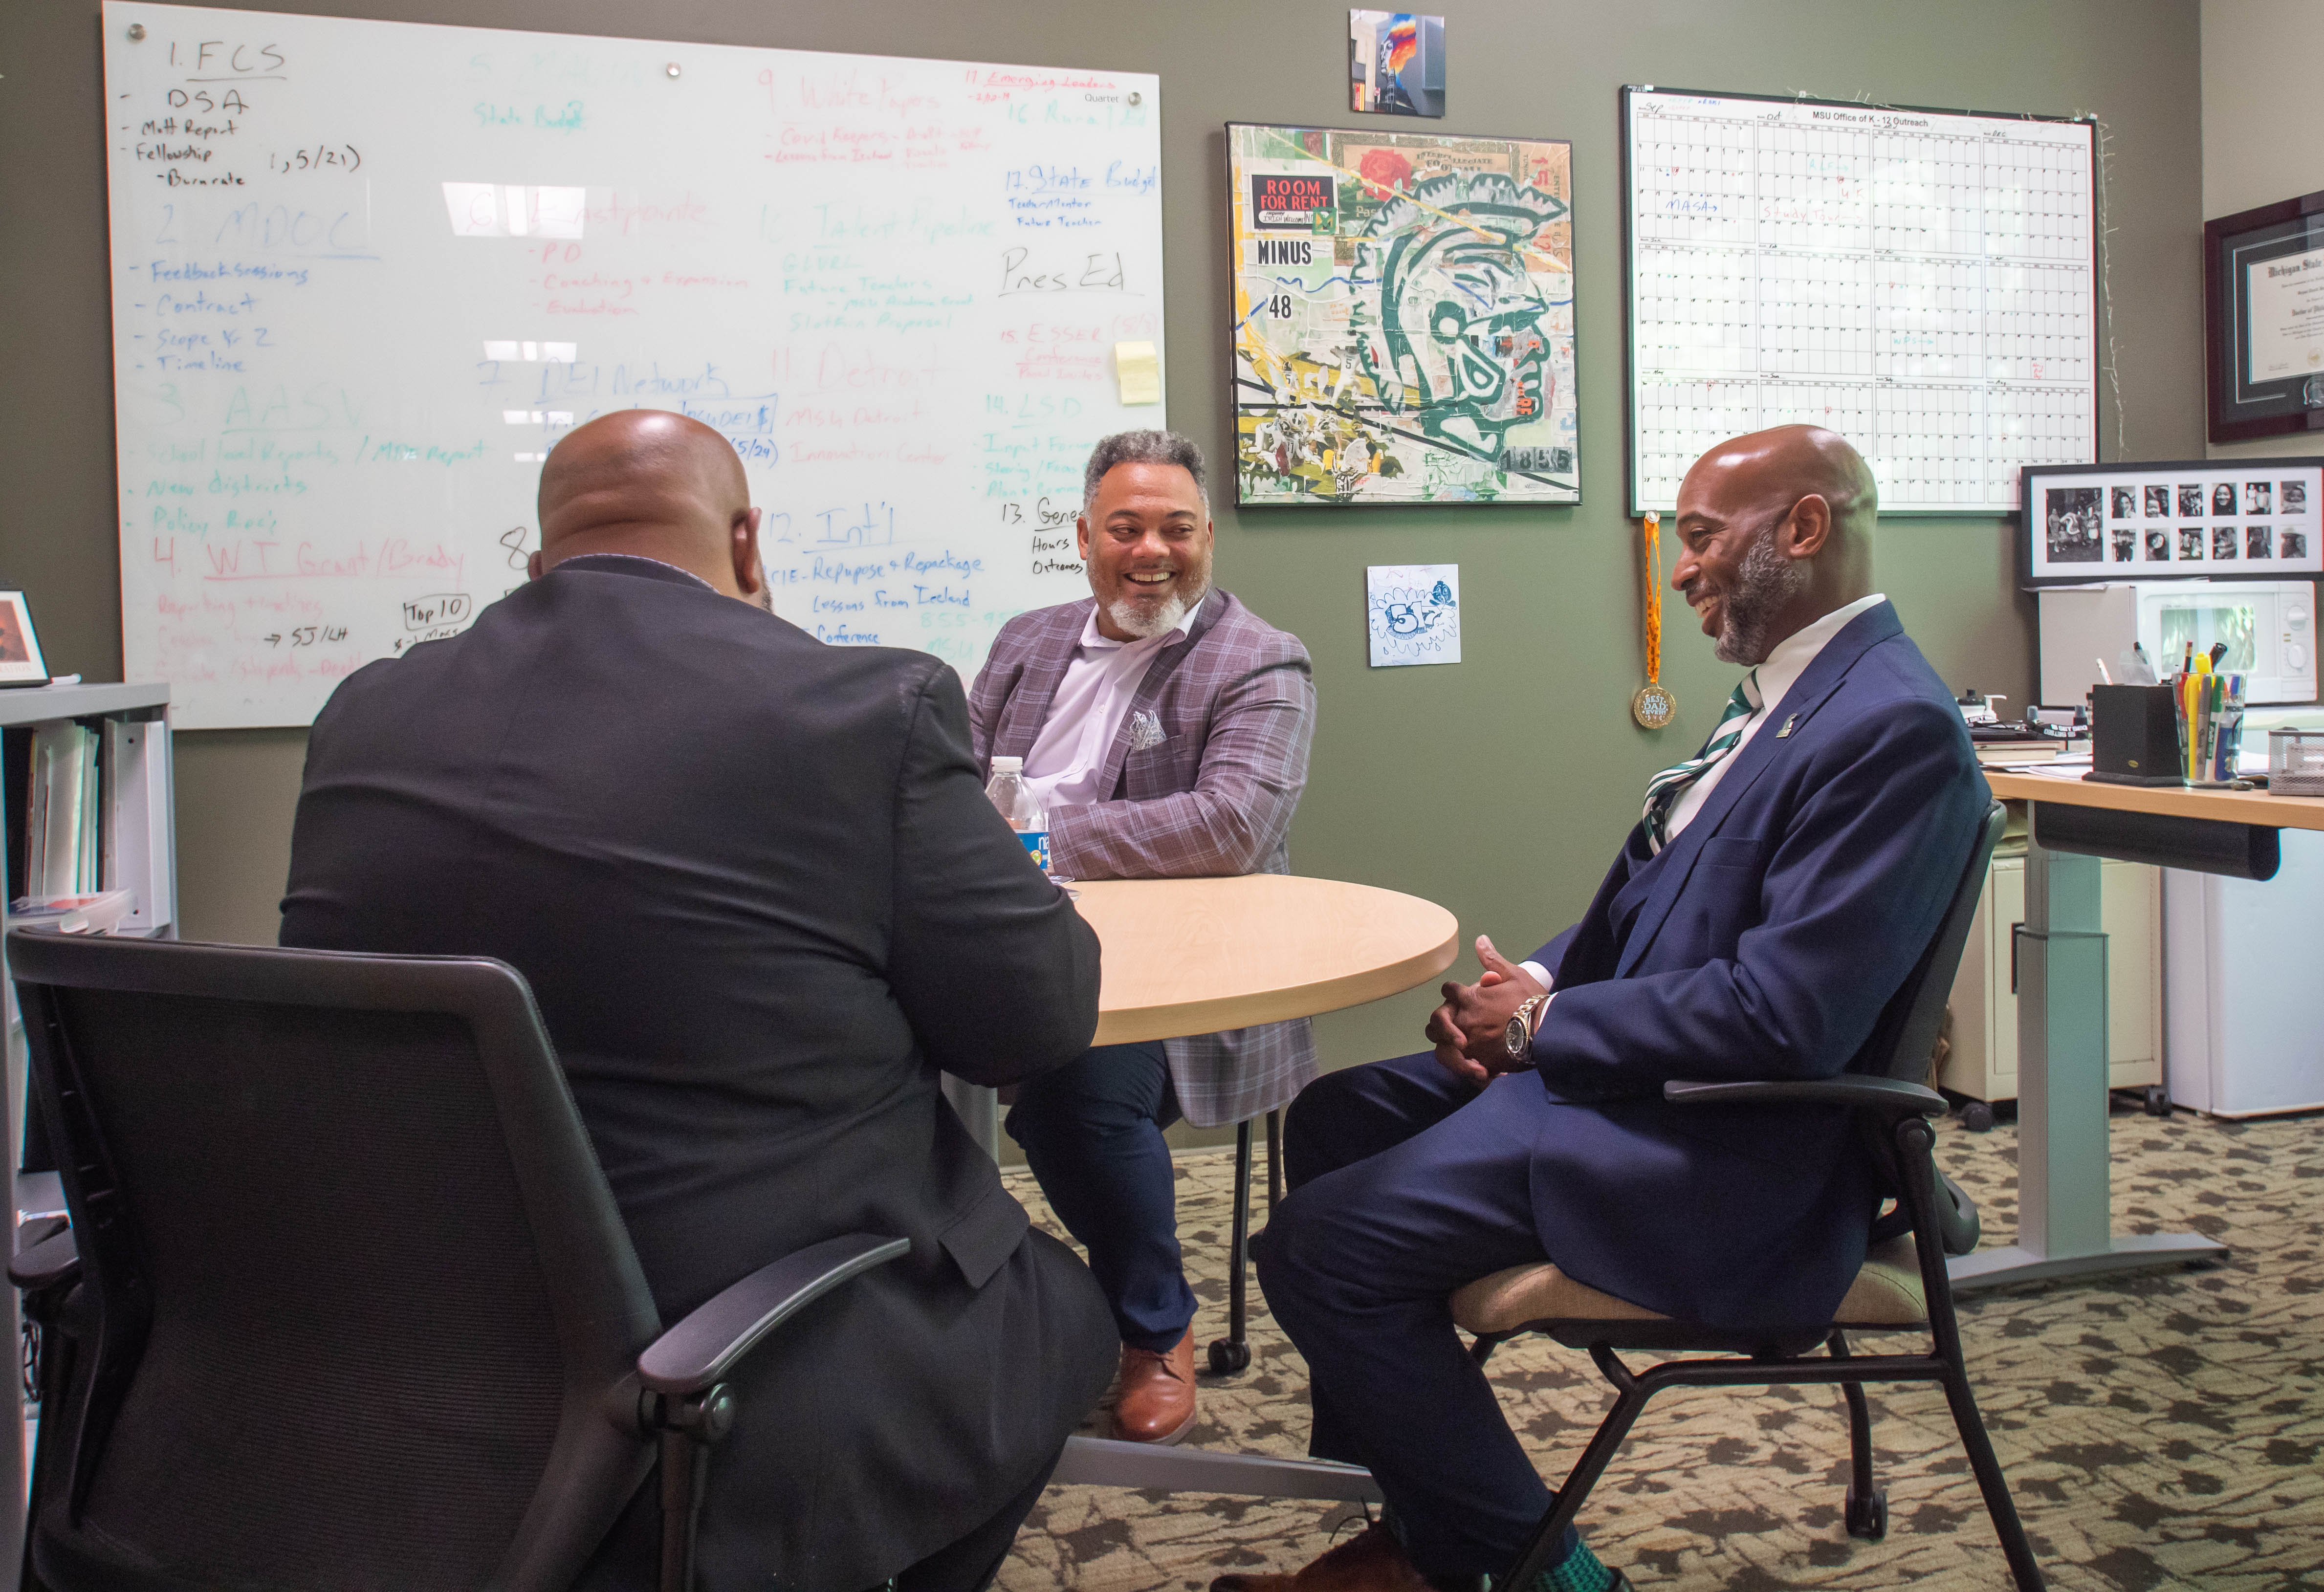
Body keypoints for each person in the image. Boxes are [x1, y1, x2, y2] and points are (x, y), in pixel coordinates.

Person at [279, 410, 1117, 1592]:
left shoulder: (365, 714)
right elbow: (1031, 1022)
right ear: (748, 543)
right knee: (1061, 1313)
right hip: (733, 1372)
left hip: (403, 1342)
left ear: (535, 565)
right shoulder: (857, 709)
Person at [1224, 426, 1988, 1592]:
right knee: (1335, 1120)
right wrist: (1529, 987)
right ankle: (1420, 1531)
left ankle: (1543, 1572)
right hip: (1645, 1083)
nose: (1678, 571)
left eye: (1696, 538)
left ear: (1803, 528)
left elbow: (1787, 1021)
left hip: (1724, 1148)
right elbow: (1658, 910)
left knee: (1321, 1253)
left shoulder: (1890, 728)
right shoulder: (1788, 700)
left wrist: (1539, 1036)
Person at [969, 429, 1316, 1445]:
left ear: (1209, 536)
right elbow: (946, 782)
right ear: (1084, 538)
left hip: (1175, 974)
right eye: (1125, 529)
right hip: (1005, 938)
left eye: (1175, 528)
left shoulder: (1262, 661)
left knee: (1071, 1107)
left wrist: (1028, 838)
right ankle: (947, 1319)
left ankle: (1151, 1326)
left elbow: (1228, 826)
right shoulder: (1025, 641)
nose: (1150, 551)